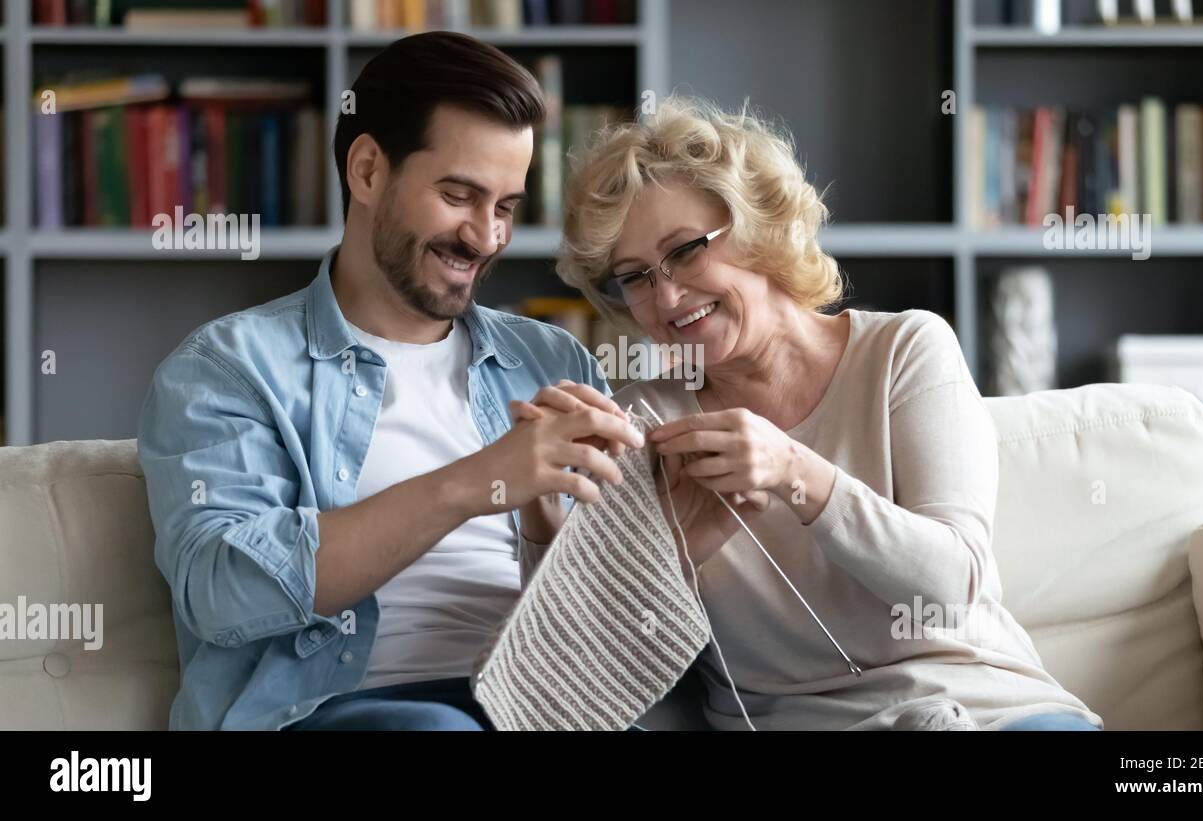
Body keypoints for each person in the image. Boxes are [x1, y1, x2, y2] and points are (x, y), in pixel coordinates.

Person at [137, 32, 642, 731]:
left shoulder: (552, 360)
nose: (485, 236)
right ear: (369, 171)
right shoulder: (229, 368)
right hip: (335, 710)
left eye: (505, 206)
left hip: (533, 703)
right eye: (459, 194)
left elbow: (614, 628)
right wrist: (475, 481)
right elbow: (222, 591)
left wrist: (546, 532)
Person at [554, 96, 1103, 731]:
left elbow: (952, 590)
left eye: (684, 251)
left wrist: (797, 472)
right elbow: (594, 674)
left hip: (990, 713)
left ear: (758, 226)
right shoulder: (641, 423)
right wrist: (672, 551)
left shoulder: (903, 350)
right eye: (635, 277)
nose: (667, 296)